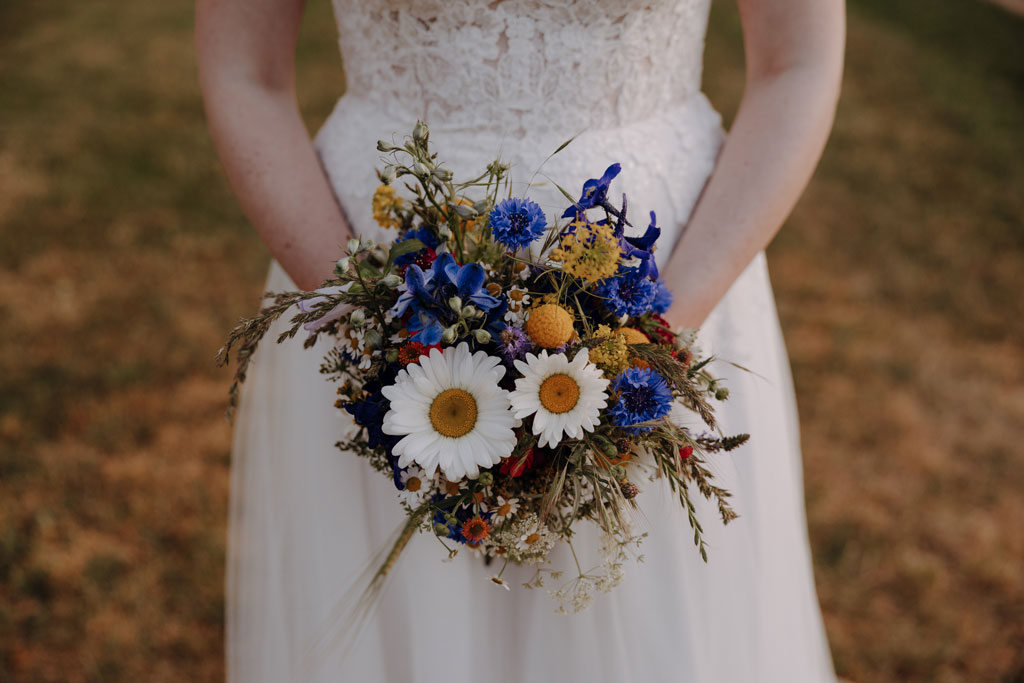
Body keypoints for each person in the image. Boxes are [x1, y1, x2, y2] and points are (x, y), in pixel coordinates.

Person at [197, 0, 845, 680]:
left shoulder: (655, 324)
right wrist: (373, 323)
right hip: (371, 262)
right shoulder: (371, 313)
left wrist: (648, 338)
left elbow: (795, 63)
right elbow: (245, 69)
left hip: (672, 272)